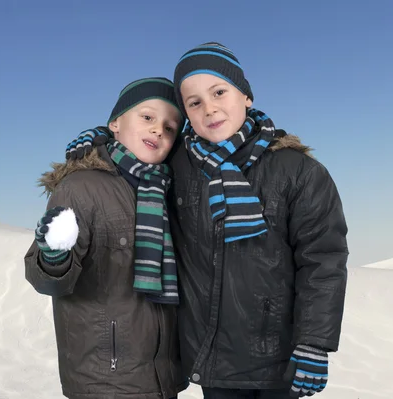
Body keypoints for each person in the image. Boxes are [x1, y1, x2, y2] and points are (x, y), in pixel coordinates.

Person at [62, 42, 349, 399]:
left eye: (219, 92)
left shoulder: (299, 172)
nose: (209, 107)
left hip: (279, 357)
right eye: (194, 102)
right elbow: (140, 146)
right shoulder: (178, 165)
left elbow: (323, 261)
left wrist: (314, 343)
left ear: (245, 95)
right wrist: (102, 141)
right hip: (213, 359)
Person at [24, 77, 188, 399]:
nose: (158, 130)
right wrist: (54, 256)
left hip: (164, 379)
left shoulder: (168, 191)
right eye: (147, 117)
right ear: (114, 123)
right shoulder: (81, 187)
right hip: (103, 380)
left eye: (170, 128)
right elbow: (48, 282)